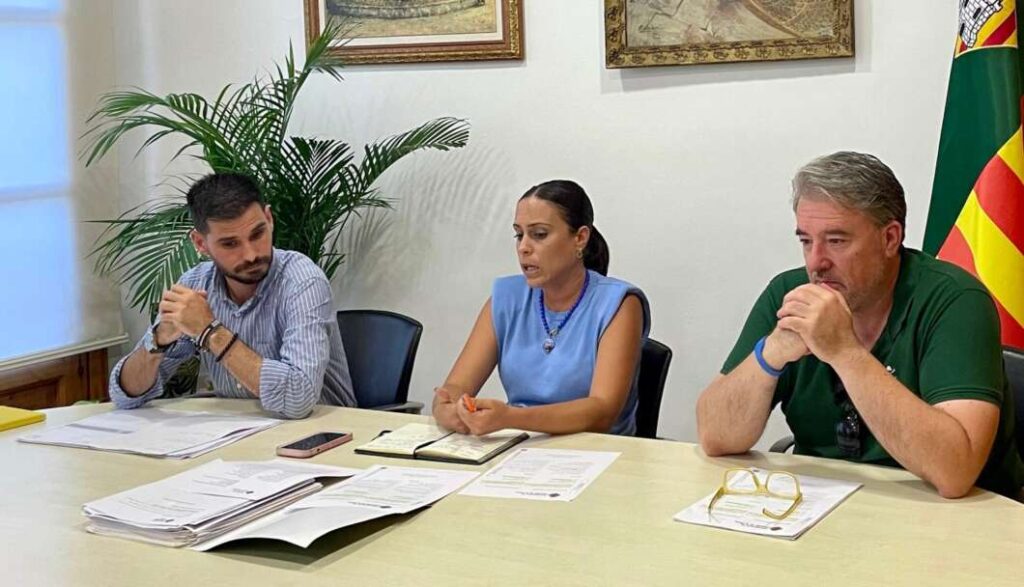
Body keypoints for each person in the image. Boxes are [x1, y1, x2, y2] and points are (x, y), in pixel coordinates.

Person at [696, 151, 1024, 499]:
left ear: (890, 239)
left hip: (957, 515)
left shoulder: (955, 300)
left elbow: (954, 473)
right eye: (806, 241)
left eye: (836, 241)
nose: (816, 262)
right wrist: (771, 354)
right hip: (824, 504)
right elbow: (715, 437)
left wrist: (845, 353)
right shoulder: (789, 295)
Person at [109, 173, 354, 419]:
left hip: (324, 432)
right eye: (230, 244)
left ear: (269, 219)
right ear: (200, 243)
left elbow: (298, 399)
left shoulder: (302, 282)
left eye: (257, 234)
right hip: (239, 430)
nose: (250, 255)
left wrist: (210, 332)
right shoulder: (195, 284)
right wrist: (160, 338)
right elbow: (125, 395)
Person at [432, 180, 651, 436]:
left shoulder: (619, 303)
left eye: (539, 234)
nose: (523, 247)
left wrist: (511, 418)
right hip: (520, 447)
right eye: (519, 234)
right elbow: (456, 386)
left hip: (599, 451)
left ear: (580, 238)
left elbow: (602, 412)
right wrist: (447, 408)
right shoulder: (506, 298)